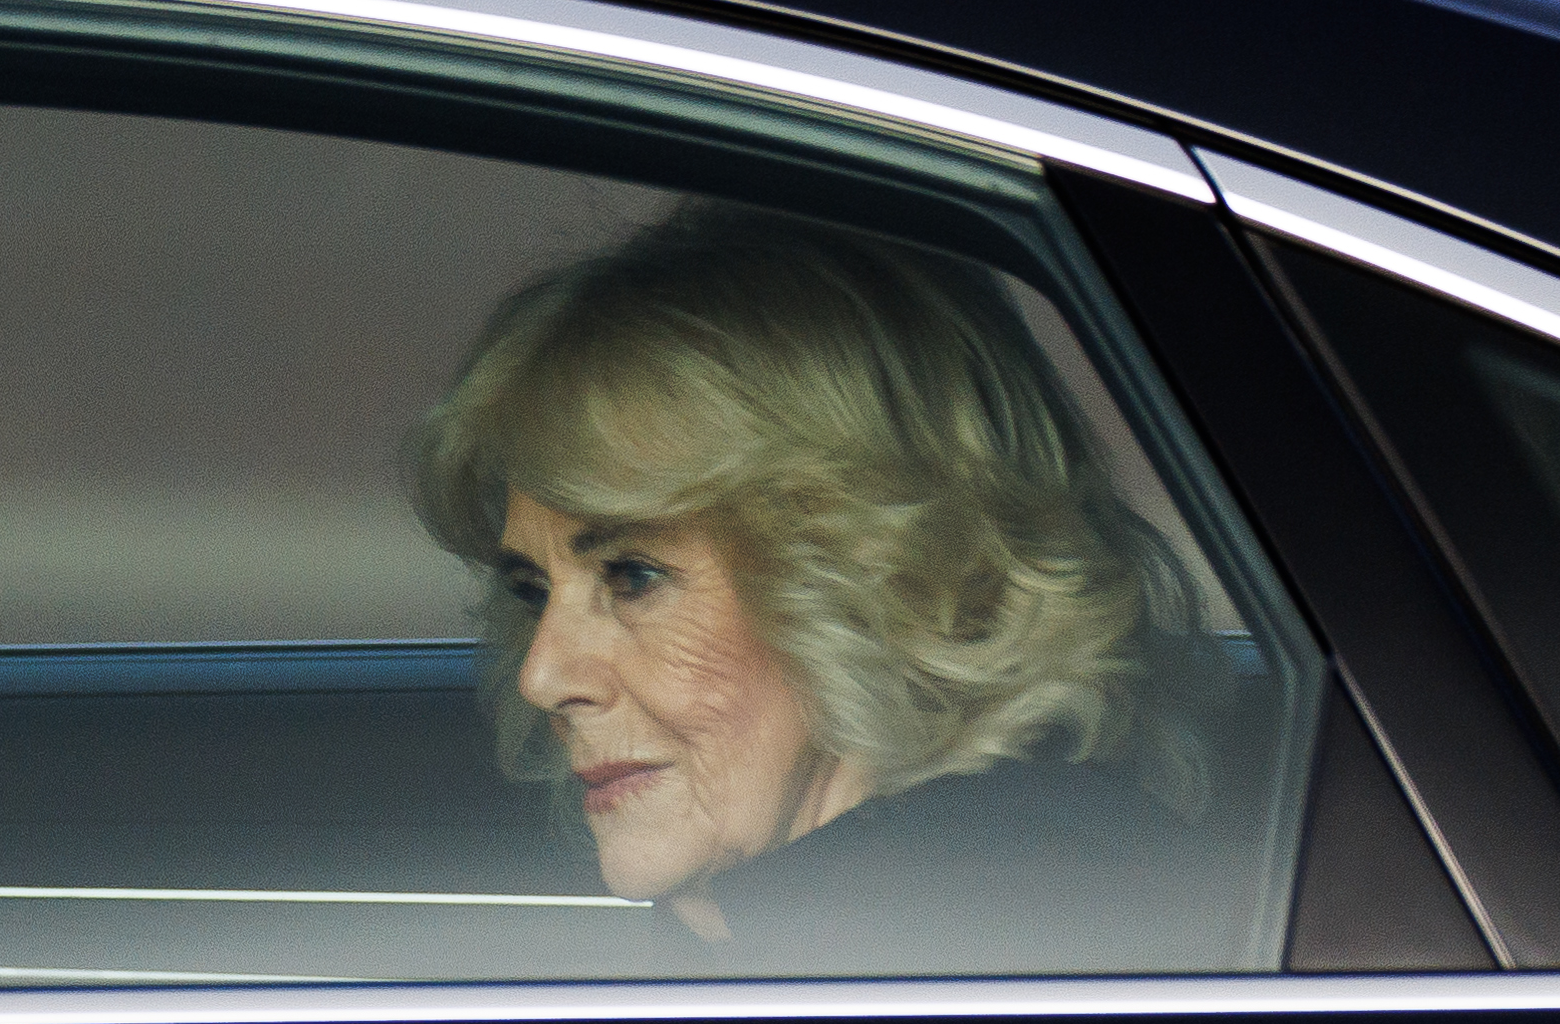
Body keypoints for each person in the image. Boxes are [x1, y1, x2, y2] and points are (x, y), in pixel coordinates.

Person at [411, 201, 1268, 973]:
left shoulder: (1015, 988)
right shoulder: (820, 969)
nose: (544, 675)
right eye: (532, 591)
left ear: (897, 579)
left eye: (634, 577)